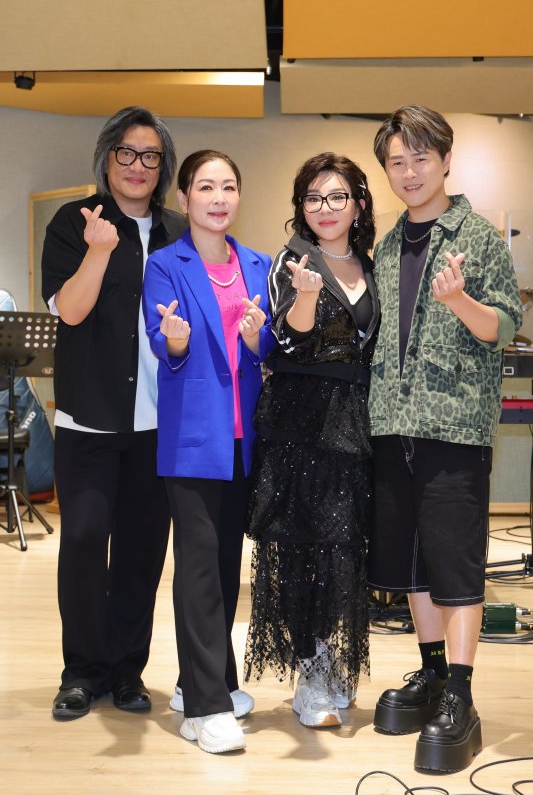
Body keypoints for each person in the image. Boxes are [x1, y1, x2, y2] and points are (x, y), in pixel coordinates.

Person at [368, 105, 522, 772]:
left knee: (454, 567)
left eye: (420, 158)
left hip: (453, 428)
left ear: (445, 160)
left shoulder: (476, 237)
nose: (409, 172)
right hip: (390, 425)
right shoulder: (384, 245)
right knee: (411, 565)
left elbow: (504, 327)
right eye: (396, 161)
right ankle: (431, 674)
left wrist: (460, 300)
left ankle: (460, 694)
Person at [42, 106, 186, 720]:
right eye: (126, 152)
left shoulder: (180, 231)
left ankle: (127, 671)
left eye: (151, 156)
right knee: (81, 543)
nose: (137, 165)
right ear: (107, 158)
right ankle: (82, 671)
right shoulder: (74, 222)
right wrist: (99, 252)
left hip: (158, 424)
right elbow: (70, 310)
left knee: (141, 552)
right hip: (89, 419)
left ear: (163, 167)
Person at [142, 149, 274, 754]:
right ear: (184, 198)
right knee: (197, 567)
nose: (218, 198)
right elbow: (164, 342)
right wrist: (174, 342)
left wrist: (258, 340)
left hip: (245, 440)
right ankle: (205, 707)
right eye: (205, 187)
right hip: (193, 437)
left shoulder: (258, 264)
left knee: (224, 566)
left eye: (228, 187)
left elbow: (268, 350)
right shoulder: (165, 264)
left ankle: (205, 678)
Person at [244, 152, 380, 729]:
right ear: (301, 207)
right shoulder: (293, 260)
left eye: (337, 196)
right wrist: (304, 295)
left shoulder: (369, 264)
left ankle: (328, 656)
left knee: (343, 548)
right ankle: (311, 671)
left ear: (358, 205)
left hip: (351, 421)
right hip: (299, 420)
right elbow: (288, 341)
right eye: (313, 197)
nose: (325, 207)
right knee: (302, 549)